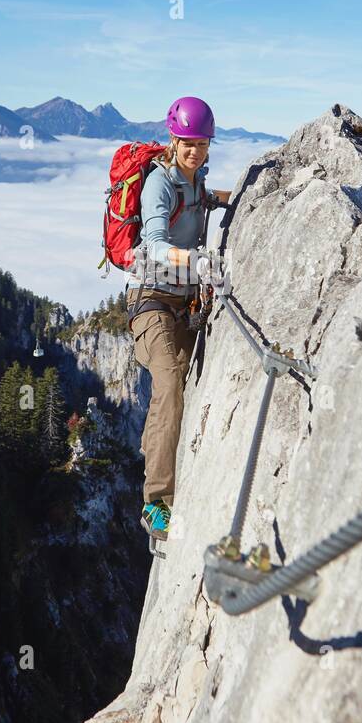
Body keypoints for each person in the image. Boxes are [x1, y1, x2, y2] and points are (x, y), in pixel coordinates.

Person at [126, 96, 231, 547]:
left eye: (203, 143)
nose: (195, 151)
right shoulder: (159, 185)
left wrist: (246, 197)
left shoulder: (195, 181)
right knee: (168, 382)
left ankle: (164, 467)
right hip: (150, 301)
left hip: (183, 301)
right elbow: (150, 247)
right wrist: (196, 262)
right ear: (174, 139)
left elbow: (207, 199)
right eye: (188, 143)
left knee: (184, 389)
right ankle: (156, 499)